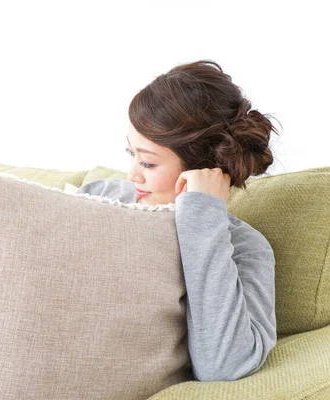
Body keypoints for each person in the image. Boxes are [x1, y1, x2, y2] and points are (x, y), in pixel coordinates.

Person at [75, 59, 279, 382]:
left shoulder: (246, 249)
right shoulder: (101, 197)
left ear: (200, 169)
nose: (132, 175)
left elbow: (223, 365)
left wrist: (202, 210)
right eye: (131, 154)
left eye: (148, 162)